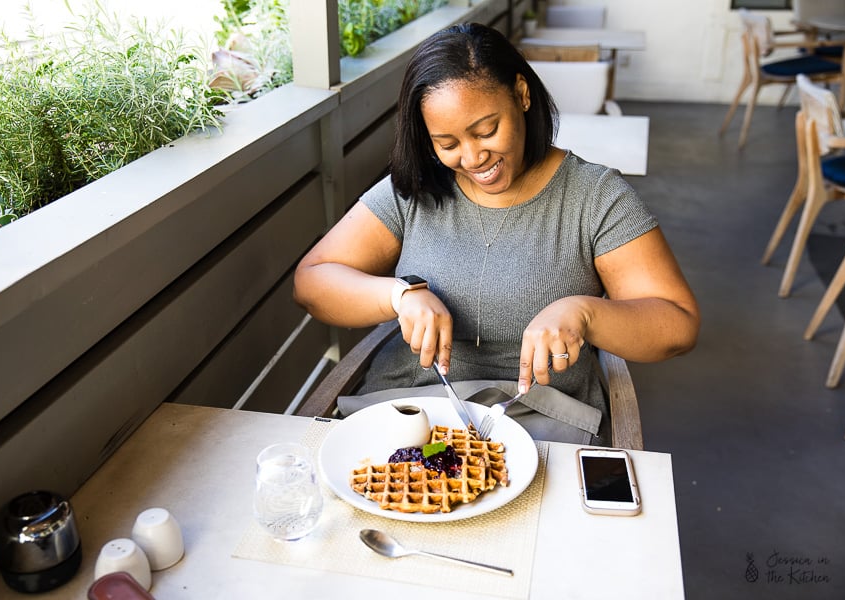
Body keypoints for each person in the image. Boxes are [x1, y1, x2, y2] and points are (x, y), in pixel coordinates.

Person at [293, 22, 699, 442]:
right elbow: (311, 281)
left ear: (522, 95)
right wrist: (398, 295)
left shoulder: (595, 198)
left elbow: (677, 324)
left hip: (543, 422)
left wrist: (585, 314)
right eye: (446, 143)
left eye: (486, 130)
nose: (472, 157)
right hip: (409, 415)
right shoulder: (413, 190)